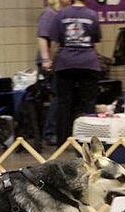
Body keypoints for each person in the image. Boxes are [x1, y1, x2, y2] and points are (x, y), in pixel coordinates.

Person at [49, 0, 102, 146]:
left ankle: (63, 142)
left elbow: (55, 42)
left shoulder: (61, 14)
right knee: (88, 103)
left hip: (66, 63)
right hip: (88, 63)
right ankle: (88, 141)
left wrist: (50, 62)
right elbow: (95, 39)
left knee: (64, 103)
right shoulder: (92, 15)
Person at [37, 0, 71, 146]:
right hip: (50, 62)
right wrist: (46, 60)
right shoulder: (49, 13)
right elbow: (42, 37)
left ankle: (57, 131)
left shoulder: (60, 14)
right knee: (58, 97)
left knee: (61, 97)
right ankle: (50, 132)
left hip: (58, 62)